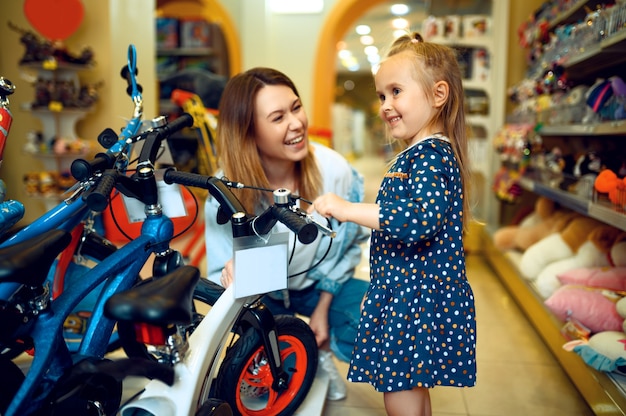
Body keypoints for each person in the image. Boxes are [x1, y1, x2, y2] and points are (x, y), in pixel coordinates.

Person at [310, 32, 477, 416]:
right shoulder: (429, 151)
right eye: (382, 95)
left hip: (413, 297)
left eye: (396, 91)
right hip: (414, 293)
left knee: (398, 387)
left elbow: (418, 219)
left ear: (438, 95)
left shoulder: (430, 154)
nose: (386, 105)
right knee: (412, 388)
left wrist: (349, 208)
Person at [204, 67, 370, 401]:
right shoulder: (225, 192)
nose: (296, 123)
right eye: (278, 117)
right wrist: (231, 274)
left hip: (319, 285)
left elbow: (349, 243)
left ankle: (320, 351)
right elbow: (219, 273)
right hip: (263, 295)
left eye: (296, 107)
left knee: (376, 314)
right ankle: (302, 352)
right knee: (272, 367)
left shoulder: (333, 169)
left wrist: (323, 306)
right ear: (249, 132)